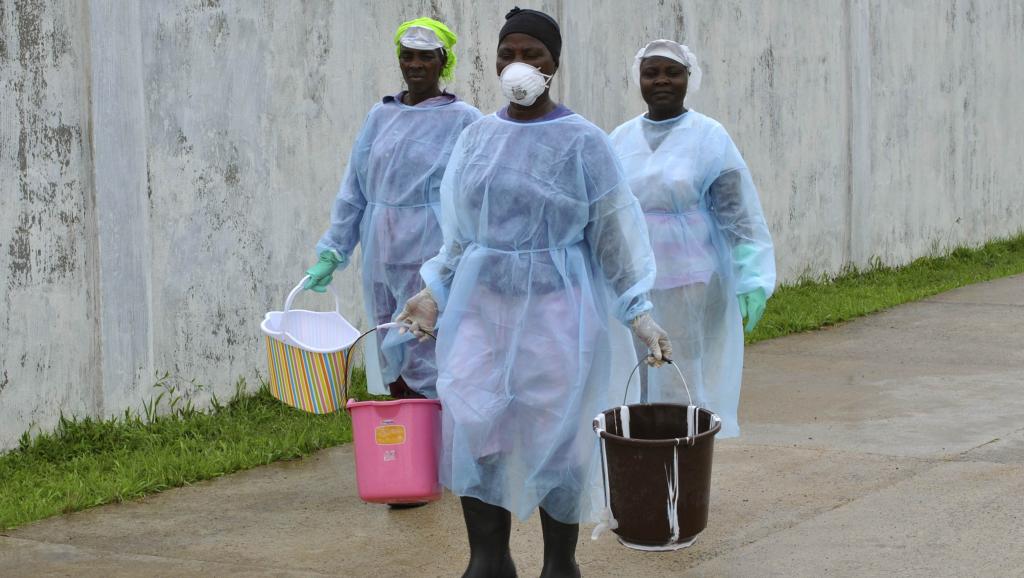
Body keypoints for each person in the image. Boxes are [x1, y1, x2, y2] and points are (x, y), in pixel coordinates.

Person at [396, 8, 672, 578]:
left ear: (554, 65)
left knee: (557, 433)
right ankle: (489, 559)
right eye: (507, 54)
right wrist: (432, 292)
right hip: (481, 309)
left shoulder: (584, 143)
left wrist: (638, 310)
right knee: (477, 424)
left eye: (533, 56)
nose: (517, 66)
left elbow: (614, 235)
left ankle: (558, 563)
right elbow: (459, 233)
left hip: (556, 312)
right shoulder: (478, 138)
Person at [305, 17, 482, 402]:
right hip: (381, 253)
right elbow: (355, 188)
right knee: (389, 337)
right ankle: (407, 441)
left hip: (432, 253)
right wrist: (333, 251)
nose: (414, 65)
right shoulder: (380, 116)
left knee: (432, 341)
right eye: (407, 56)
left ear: (443, 62)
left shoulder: (465, 120)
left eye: (425, 57)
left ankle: (442, 437)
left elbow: (481, 191)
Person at [609, 40, 776, 438]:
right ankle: (640, 457)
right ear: (639, 79)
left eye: (672, 71)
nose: (661, 80)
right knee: (634, 374)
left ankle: (683, 459)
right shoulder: (619, 138)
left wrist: (752, 277)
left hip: (691, 279)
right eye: (651, 72)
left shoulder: (709, 136)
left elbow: (739, 214)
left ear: (689, 78)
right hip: (634, 278)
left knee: (681, 369)